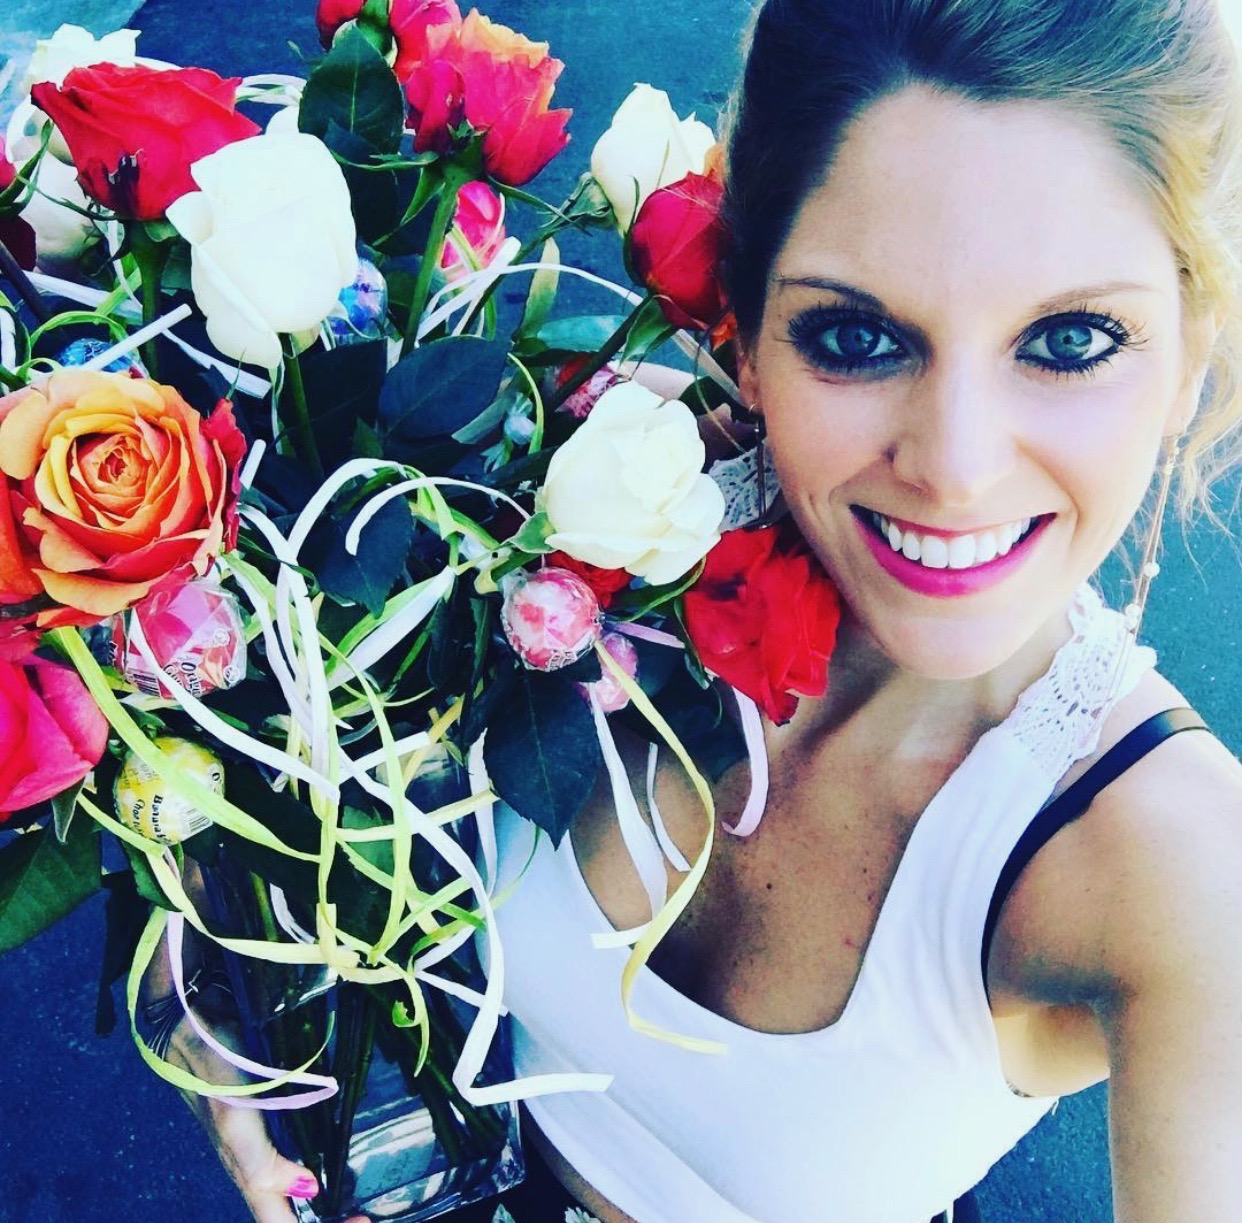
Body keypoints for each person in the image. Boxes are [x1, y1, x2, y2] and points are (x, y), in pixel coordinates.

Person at [178, 0, 1242, 1219]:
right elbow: (255, 759)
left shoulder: (1178, 871)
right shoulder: (599, 499)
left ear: (1190, 355)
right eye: (854, 334)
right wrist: (219, 1006)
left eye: (1069, 340)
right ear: (743, 330)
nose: (956, 465)